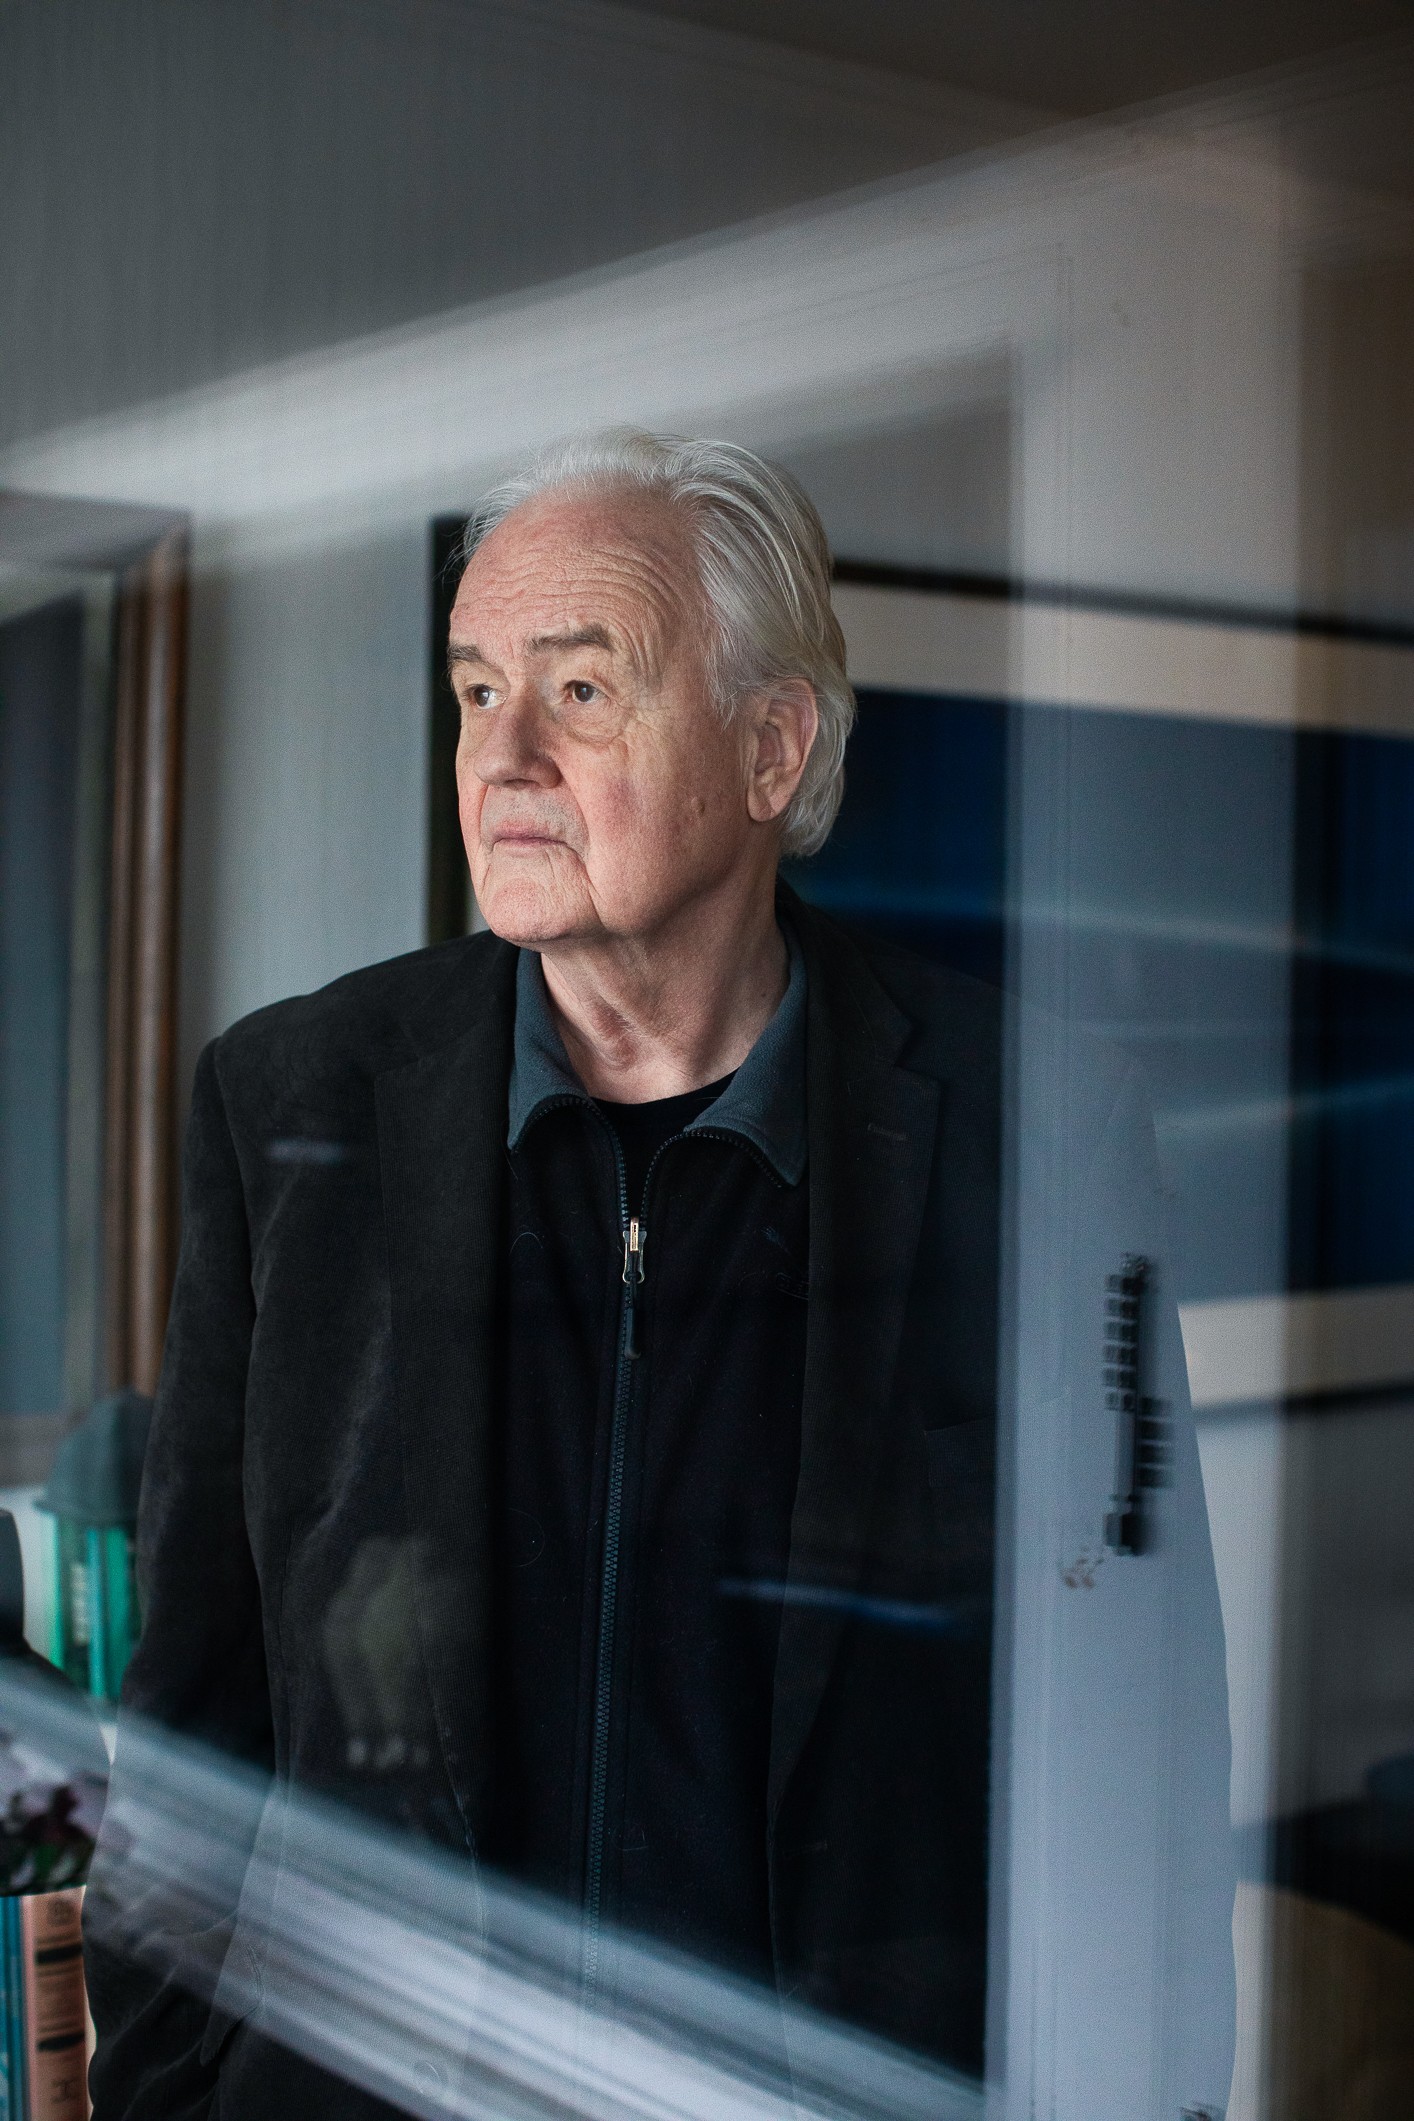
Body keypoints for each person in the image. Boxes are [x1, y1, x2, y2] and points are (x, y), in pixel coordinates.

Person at [84, 431, 1233, 2118]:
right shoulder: (292, 1104)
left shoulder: (1040, 1122)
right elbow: (192, 1709)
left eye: (579, 689)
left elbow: (1138, 1730)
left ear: (771, 746)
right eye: (476, 691)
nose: (502, 756)